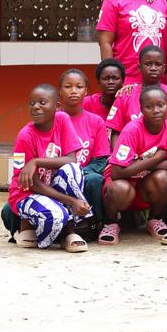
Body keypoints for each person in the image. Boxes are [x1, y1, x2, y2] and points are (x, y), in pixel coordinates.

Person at [2, 85, 90, 252]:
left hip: (53, 187)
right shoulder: (25, 136)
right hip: (27, 193)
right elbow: (33, 185)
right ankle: (26, 225)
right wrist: (72, 201)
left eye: (42, 102)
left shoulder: (62, 119)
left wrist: (36, 161)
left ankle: (68, 233)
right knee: (56, 217)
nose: (35, 107)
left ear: (56, 107)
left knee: (73, 170)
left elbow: (71, 159)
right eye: (32, 103)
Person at [100, 85, 167, 246]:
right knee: (120, 188)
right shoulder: (132, 130)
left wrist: (140, 165)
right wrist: (155, 159)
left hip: (145, 186)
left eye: (160, 105)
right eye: (149, 107)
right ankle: (111, 223)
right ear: (141, 110)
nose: (156, 110)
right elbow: (116, 172)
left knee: (164, 178)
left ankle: (155, 219)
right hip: (122, 187)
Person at [57, 69, 109, 235]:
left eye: (79, 87)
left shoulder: (96, 121)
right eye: (68, 86)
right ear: (60, 92)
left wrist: (79, 174)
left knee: (95, 180)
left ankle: (95, 224)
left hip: (85, 176)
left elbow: (101, 160)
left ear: (86, 91)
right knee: (8, 212)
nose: (73, 91)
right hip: (57, 178)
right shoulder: (51, 120)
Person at [104, 46, 167, 140]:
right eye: (148, 64)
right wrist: (118, 154)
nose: (153, 68)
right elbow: (116, 132)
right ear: (139, 67)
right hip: (130, 151)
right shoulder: (125, 94)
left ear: (164, 68)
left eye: (158, 64)